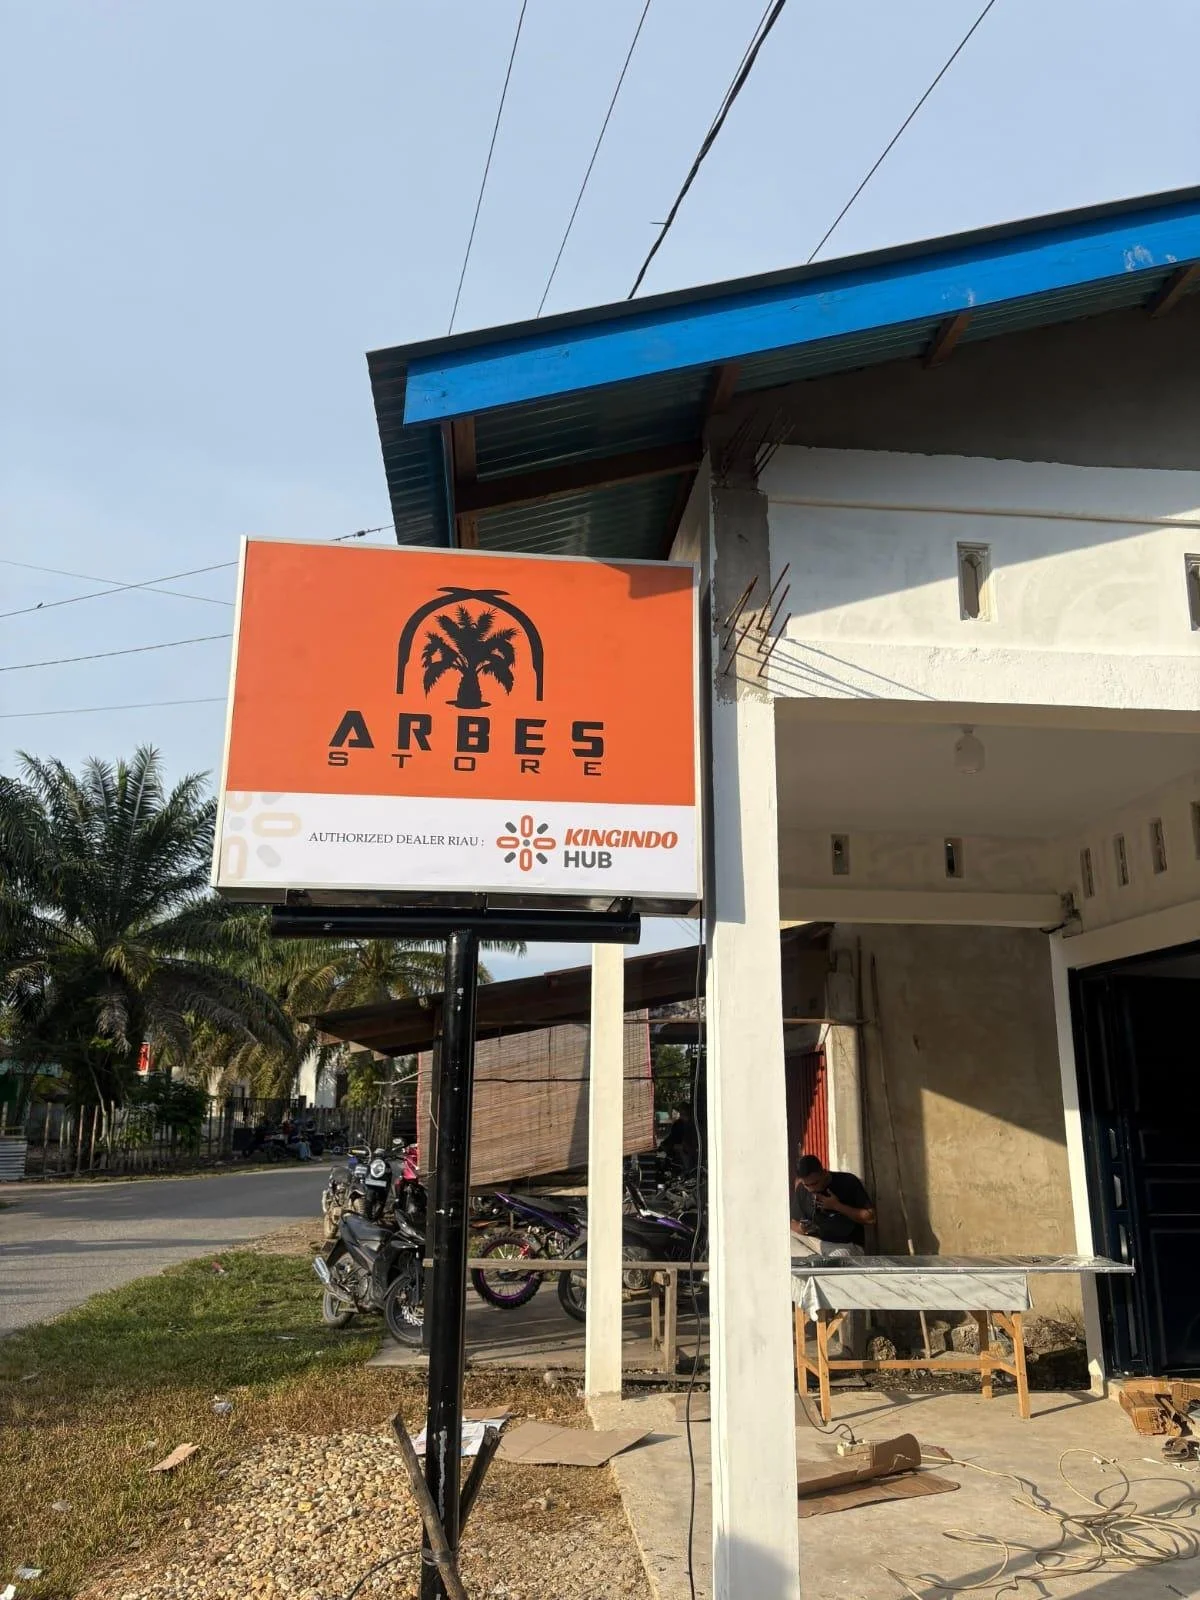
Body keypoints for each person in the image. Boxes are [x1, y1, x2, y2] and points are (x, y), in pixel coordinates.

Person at [791, 1153, 875, 1359]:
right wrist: (802, 1228)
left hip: (844, 1245)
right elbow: (792, 1222)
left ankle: (818, 1284)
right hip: (815, 1243)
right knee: (780, 1239)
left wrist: (836, 1206)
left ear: (824, 1173)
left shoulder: (847, 1182)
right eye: (808, 1185)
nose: (813, 1189)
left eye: (816, 1183)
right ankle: (810, 1278)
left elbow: (870, 1217)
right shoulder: (803, 1190)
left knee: (835, 1261)